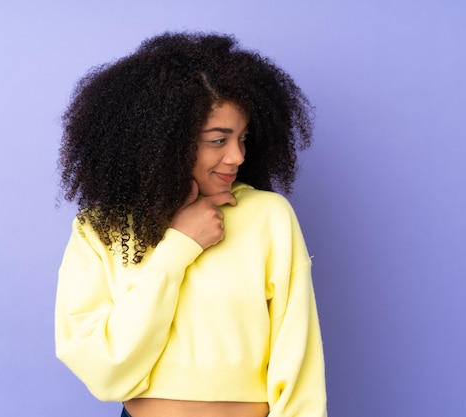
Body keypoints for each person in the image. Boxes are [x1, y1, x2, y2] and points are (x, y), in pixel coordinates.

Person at [54, 31, 327, 417]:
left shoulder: (268, 216)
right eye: (218, 140)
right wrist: (178, 246)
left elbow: (298, 362)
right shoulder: (101, 227)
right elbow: (102, 367)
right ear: (165, 140)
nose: (237, 156)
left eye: (243, 138)